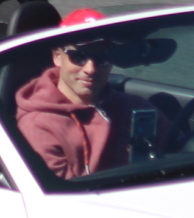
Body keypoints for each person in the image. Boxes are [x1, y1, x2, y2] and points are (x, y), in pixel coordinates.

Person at [13, 35, 157, 180]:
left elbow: (177, 150)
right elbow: (62, 195)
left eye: (102, 58)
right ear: (57, 57)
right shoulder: (37, 125)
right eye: (79, 57)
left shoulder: (136, 106)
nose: (90, 69)